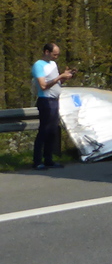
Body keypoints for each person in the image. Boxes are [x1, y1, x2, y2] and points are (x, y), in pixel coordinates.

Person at [32, 42, 75, 170]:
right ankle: (37, 161)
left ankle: (48, 159)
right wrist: (60, 76)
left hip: (55, 100)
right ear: (47, 52)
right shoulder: (38, 65)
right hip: (45, 100)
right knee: (44, 131)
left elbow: (55, 82)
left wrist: (65, 77)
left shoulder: (53, 64)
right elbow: (44, 85)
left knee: (52, 132)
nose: (56, 57)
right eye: (54, 54)